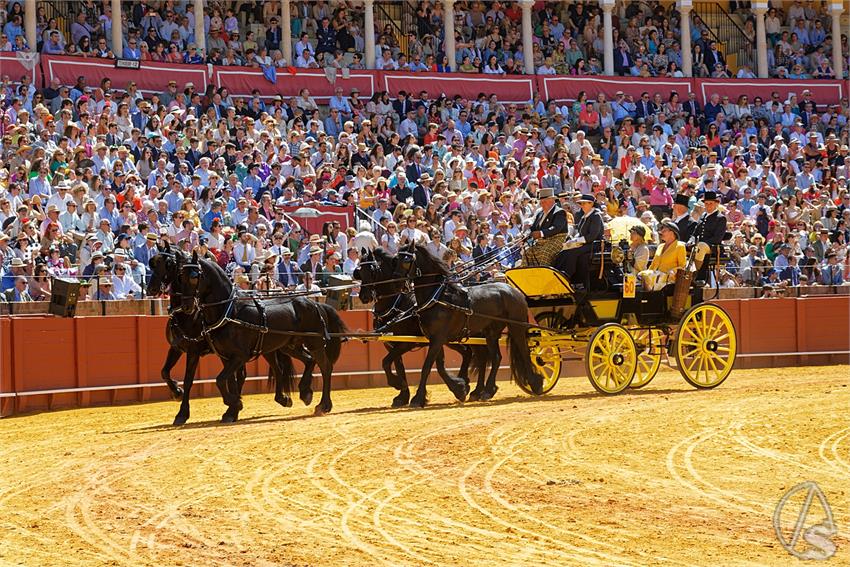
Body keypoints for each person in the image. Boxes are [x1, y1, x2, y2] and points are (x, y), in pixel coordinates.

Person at [553, 194, 604, 280]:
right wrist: (573, 240)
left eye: (584, 203)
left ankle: (568, 275)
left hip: (594, 244)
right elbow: (580, 232)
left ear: (591, 204)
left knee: (573, 252)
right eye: (581, 204)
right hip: (584, 243)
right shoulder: (584, 216)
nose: (582, 206)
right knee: (563, 251)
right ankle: (556, 272)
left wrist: (576, 241)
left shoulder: (596, 216)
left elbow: (592, 236)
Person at [689, 191, 728, 281]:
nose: (708, 205)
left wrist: (702, 243)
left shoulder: (720, 218)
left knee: (701, 246)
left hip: (713, 246)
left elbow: (717, 238)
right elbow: (695, 232)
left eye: (711, 203)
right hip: (700, 246)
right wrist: (690, 241)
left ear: (716, 204)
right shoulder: (703, 215)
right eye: (706, 203)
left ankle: (696, 273)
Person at [640, 219, 687, 291]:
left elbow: (682, 266)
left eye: (664, 231)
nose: (661, 233)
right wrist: (648, 272)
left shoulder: (680, 246)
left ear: (672, 233)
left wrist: (673, 271)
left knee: (646, 276)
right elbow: (653, 264)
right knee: (641, 275)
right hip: (655, 276)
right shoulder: (660, 246)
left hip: (669, 278)